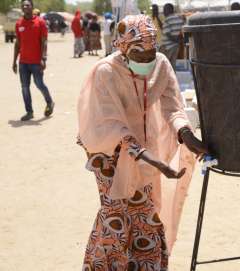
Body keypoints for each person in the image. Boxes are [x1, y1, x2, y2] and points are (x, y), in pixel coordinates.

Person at [77, 14, 208, 270]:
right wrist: (154, 160)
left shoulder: (160, 65)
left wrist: (186, 135)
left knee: (143, 212)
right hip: (109, 153)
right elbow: (112, 125)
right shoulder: (107, 72)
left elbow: (173, 106)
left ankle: (146, 265)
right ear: (124, 49)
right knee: (116, 214)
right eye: (140, 57)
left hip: (145, 150)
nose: (147, 62)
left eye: (151, 55)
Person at [12, 0, 54, 121]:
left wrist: (43, 58)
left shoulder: (40, 22)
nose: (25, 7)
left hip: (36, 61)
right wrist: (14, 61)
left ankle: (50, 102)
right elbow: (17, 44)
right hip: (23, 62)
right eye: (23, 5)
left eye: (27, 5)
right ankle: (29, 112)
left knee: (39, 84)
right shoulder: (19, 23)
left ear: (32, 7)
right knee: (25, 87)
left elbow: (44, 41)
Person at [159, 3, 185, 70]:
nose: (163, 12)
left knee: (163, 65)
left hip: (167, 46)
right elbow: (181, 32)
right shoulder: (179, 19)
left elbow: (167, 34)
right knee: (172, 65)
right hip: (176, 46)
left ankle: (165, 79)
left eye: (164, 10)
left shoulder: (167, 20)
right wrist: (178, 41)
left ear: (169, 10)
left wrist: (175, 40)